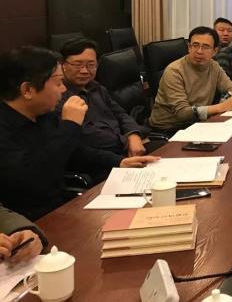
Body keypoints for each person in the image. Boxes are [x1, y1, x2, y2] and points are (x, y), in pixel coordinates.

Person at [0, 47, 158, 220]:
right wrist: (70, 124)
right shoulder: (5, 128)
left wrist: (119, 162)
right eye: (58, 83)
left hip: (62, 207)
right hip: (27, 220)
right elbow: (36, 181)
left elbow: (75, 153)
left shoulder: (42, 115)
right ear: (27, 90)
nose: (63, 89)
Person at [57, 39, 150, 163]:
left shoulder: (96, 87)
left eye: (91, 65)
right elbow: (88, 136)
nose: (84, 71)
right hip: (100, 160)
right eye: (77, 64)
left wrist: (134, 135)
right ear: (63, 65)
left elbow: (121, 114)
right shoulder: (58, 96)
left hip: (127, 148)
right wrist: (127, 142)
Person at [149, 26, 232, 132]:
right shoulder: (174, 71)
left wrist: (224, 102)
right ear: (189, 47)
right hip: (169, 129)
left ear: (215, 51)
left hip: (197, 124)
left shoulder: (214, 66)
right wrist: (221, 106)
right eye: (195, 45)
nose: (199, 51)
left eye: (206, 47)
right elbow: (182, 113)